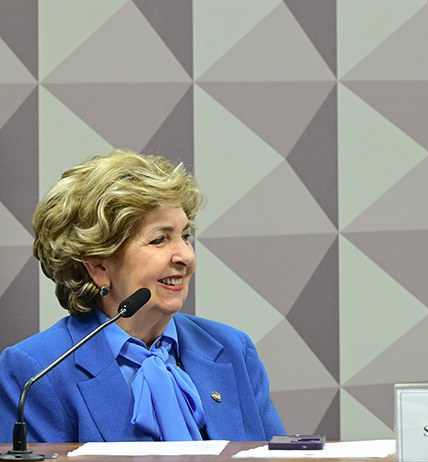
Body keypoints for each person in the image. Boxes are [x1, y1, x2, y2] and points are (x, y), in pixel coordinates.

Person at [0, 149, 285, 442]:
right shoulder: (37, 370)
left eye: (185, 236)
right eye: (160, 239)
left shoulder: (232, 349)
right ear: (99, 266)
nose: (186, 256)